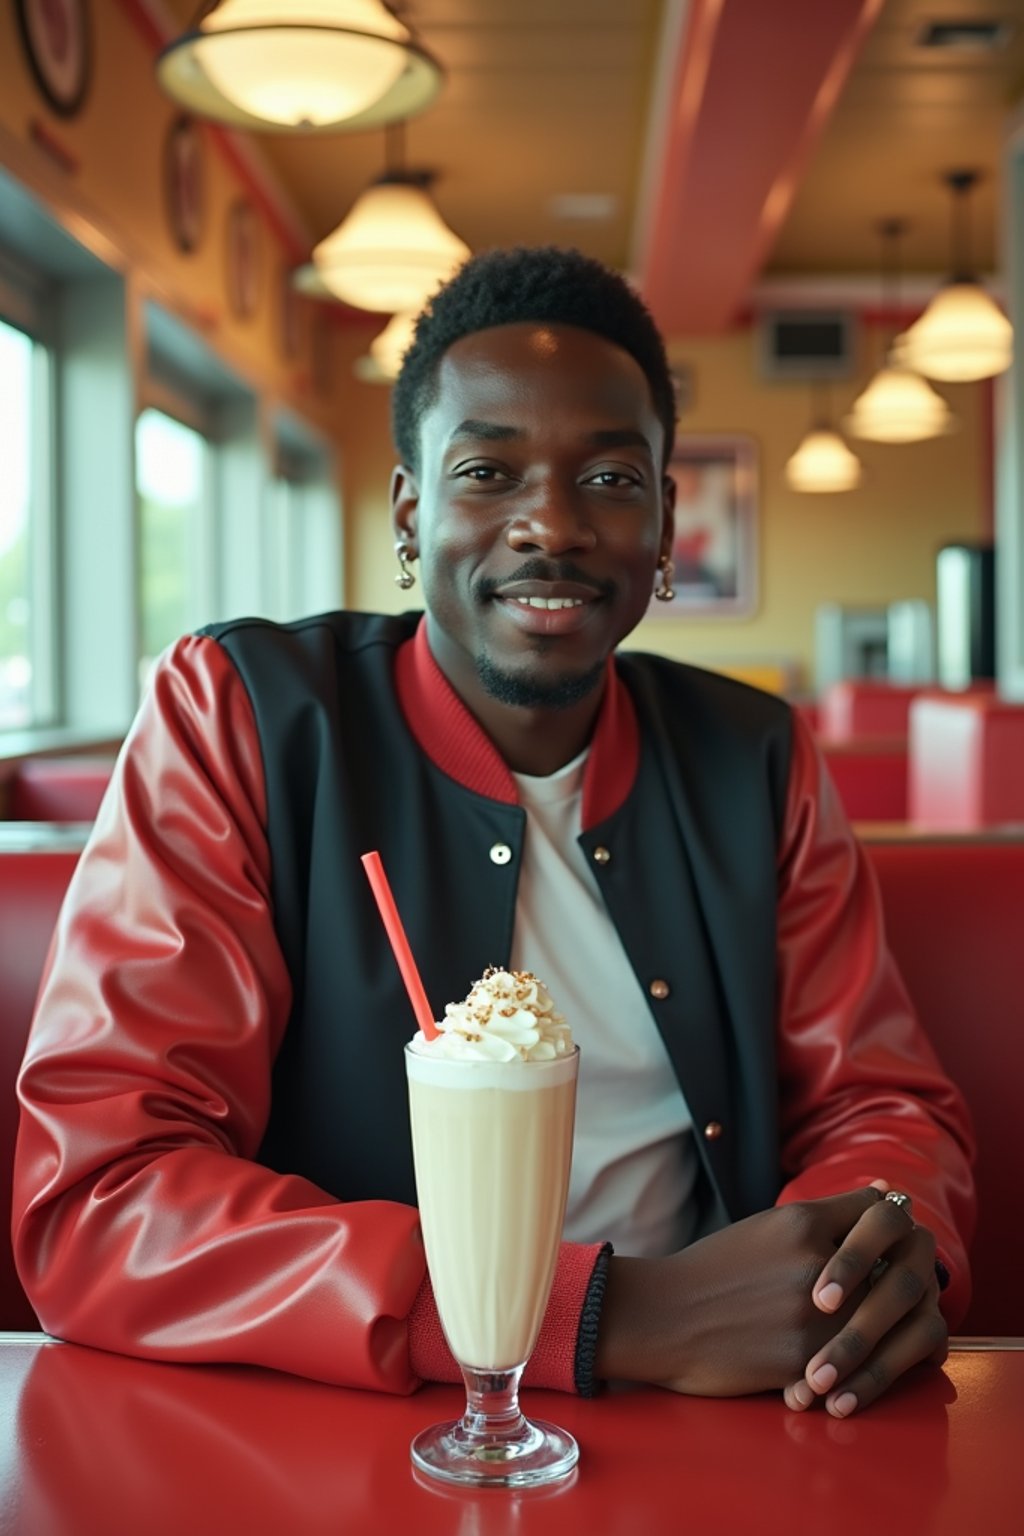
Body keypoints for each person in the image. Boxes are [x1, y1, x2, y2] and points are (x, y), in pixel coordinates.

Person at [13, 247, 973, 1419]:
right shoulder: (238, 714)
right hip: (355, 1425)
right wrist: (607, 1314)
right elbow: (103, 1198)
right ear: (412, 512)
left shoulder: (756, 757)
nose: (550, 527)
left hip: (729, 1413)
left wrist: (860, 1268)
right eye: (487, 472)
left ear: (668, 525)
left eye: (612, 480)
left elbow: (880, 1110)